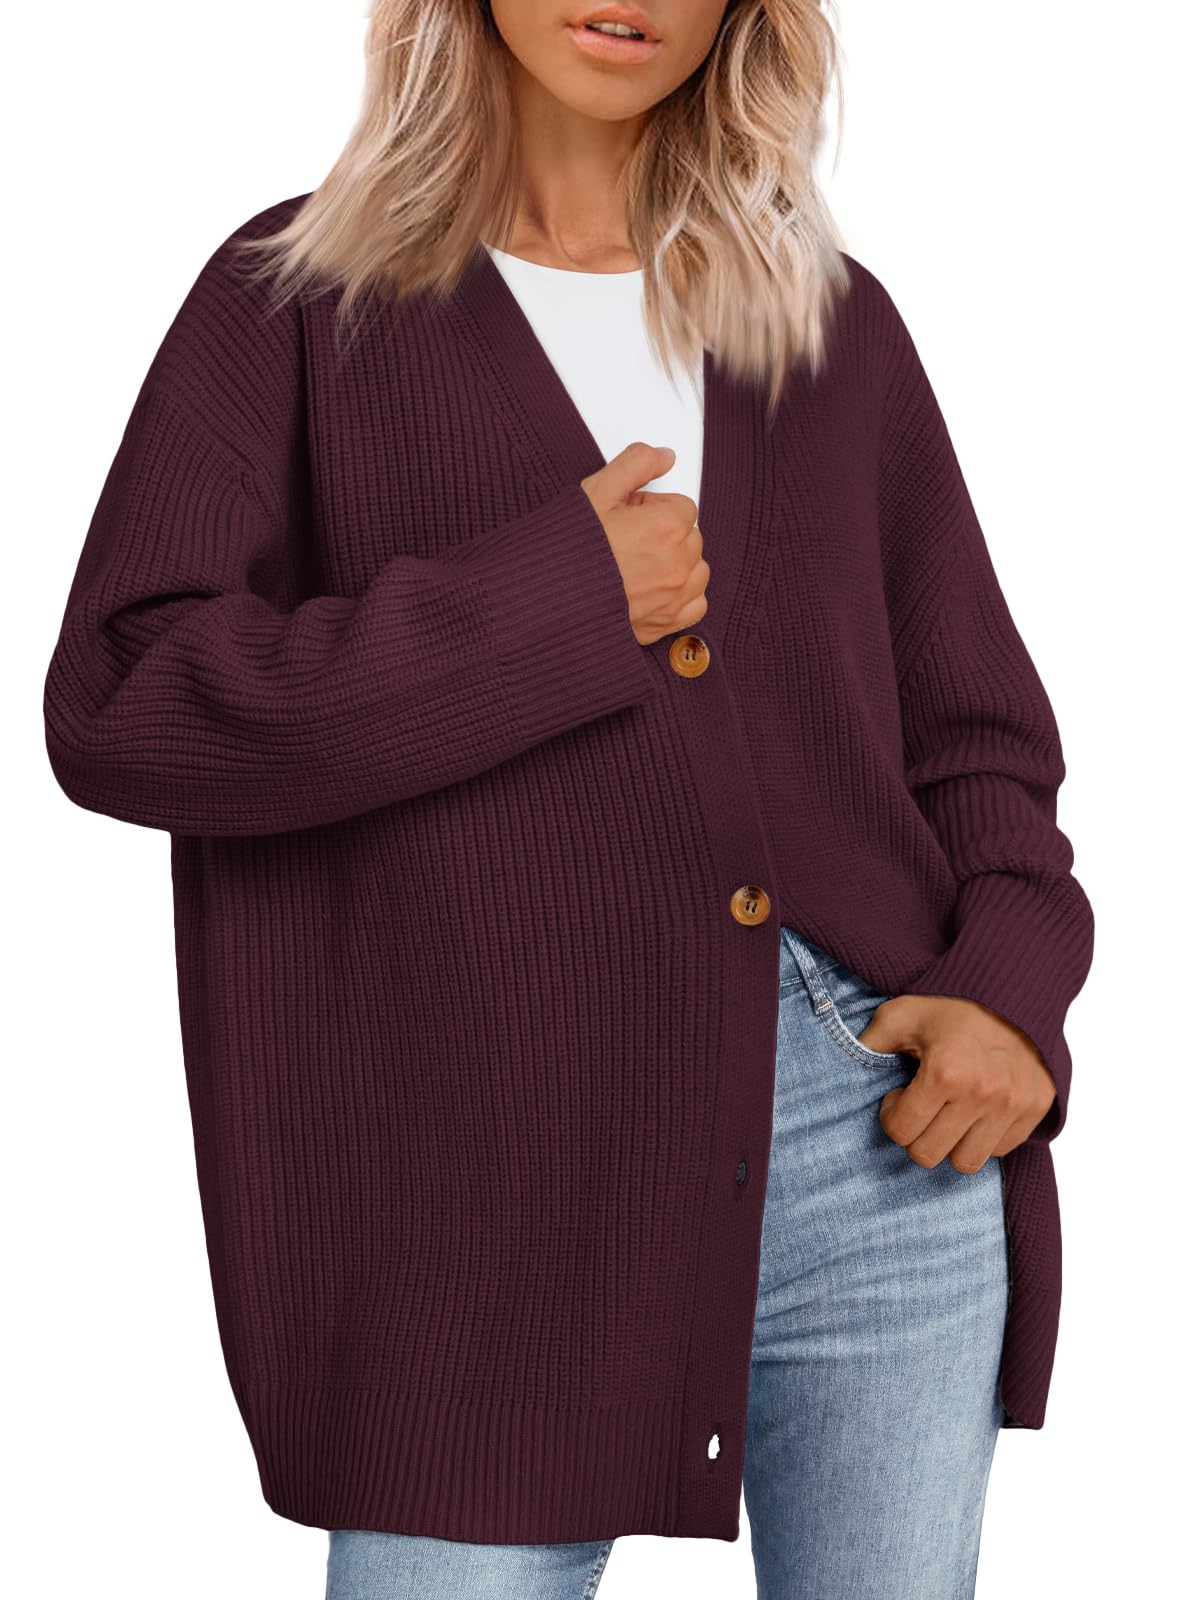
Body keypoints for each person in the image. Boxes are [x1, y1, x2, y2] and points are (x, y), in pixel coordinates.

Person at [42, 2, 1094, 1597]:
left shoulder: (826, 321)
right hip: (476, 1191)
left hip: (873, 1148)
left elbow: (978, 737)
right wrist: (554, 604)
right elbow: (125, 703)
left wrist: (1009, 989)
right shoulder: (293, 305)